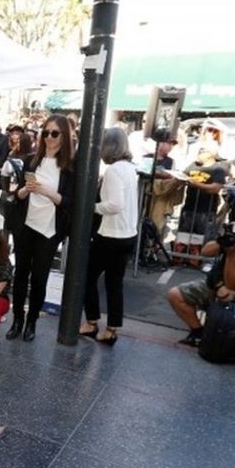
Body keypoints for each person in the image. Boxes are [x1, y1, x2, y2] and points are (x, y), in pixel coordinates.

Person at [5, 114, 75, 342]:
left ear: (64, 136)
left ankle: (31, 321)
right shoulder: (31, 160)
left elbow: (69, 202)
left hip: (49, 229)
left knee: (39, 278)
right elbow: (18, 194)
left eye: (54, 133)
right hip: (26, 224)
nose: (49, 137)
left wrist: (46, 192)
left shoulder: (69, 168)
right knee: (21, 274)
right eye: (45, 132)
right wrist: (26, 190)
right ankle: (17, 319)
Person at [167, 221, 235, 347]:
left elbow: (234, 284)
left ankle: (220, 336)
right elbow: (205, 252)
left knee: (228, 296)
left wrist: (231, 254)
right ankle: (198, 332)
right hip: (218, 283)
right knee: (175, 294)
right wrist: (224, 241)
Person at [79, 127, 139, 346]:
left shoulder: (113, 170)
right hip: (127, 233)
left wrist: (91, 207)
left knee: (87, 277)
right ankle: (112, 328)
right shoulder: (129, 168)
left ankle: (91, 322)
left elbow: (114, 205)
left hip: (111, 235)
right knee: (115, 283)